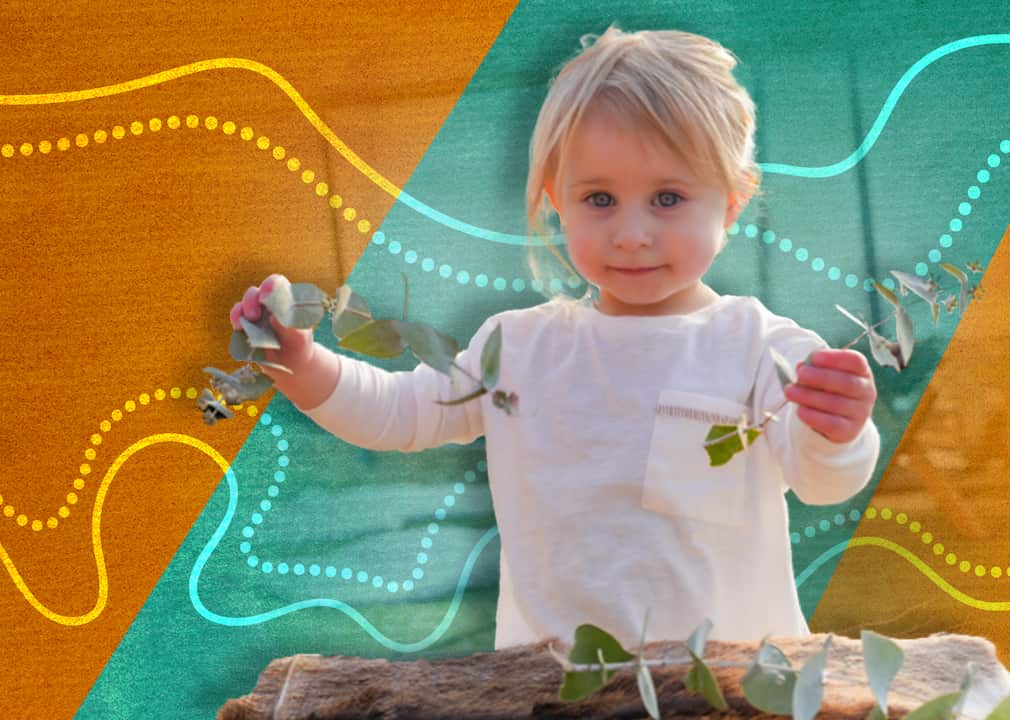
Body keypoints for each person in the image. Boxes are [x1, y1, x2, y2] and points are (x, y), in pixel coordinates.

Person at [229, 25, 880, 651]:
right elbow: (401, 413)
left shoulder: (762, 347)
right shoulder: (518, 350)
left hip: (730, 692)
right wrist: (303, 364)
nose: (631, 233)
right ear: (555, 200)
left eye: (668, 198)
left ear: (732, 203)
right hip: (554, 694)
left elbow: (824, 481)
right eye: (600, 200)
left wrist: (839, 433)